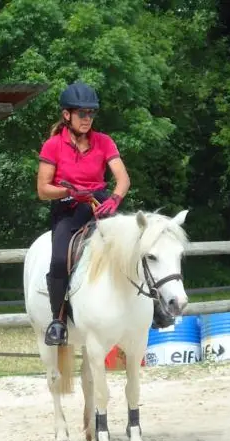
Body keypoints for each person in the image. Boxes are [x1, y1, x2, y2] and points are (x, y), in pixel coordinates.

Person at [36, 81, 131, 346]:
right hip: (67, 205)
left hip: (100, 203)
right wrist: (69, 191)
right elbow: (43, 189)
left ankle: (152, 307)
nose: (87, 118)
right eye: (82, 113)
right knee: (59, 260)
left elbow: (123, 178)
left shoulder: (104, 141)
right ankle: (58, 320)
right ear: (67, 115)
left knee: (132, 244)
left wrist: (115, 199)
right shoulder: (52, 145)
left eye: (91, 113)